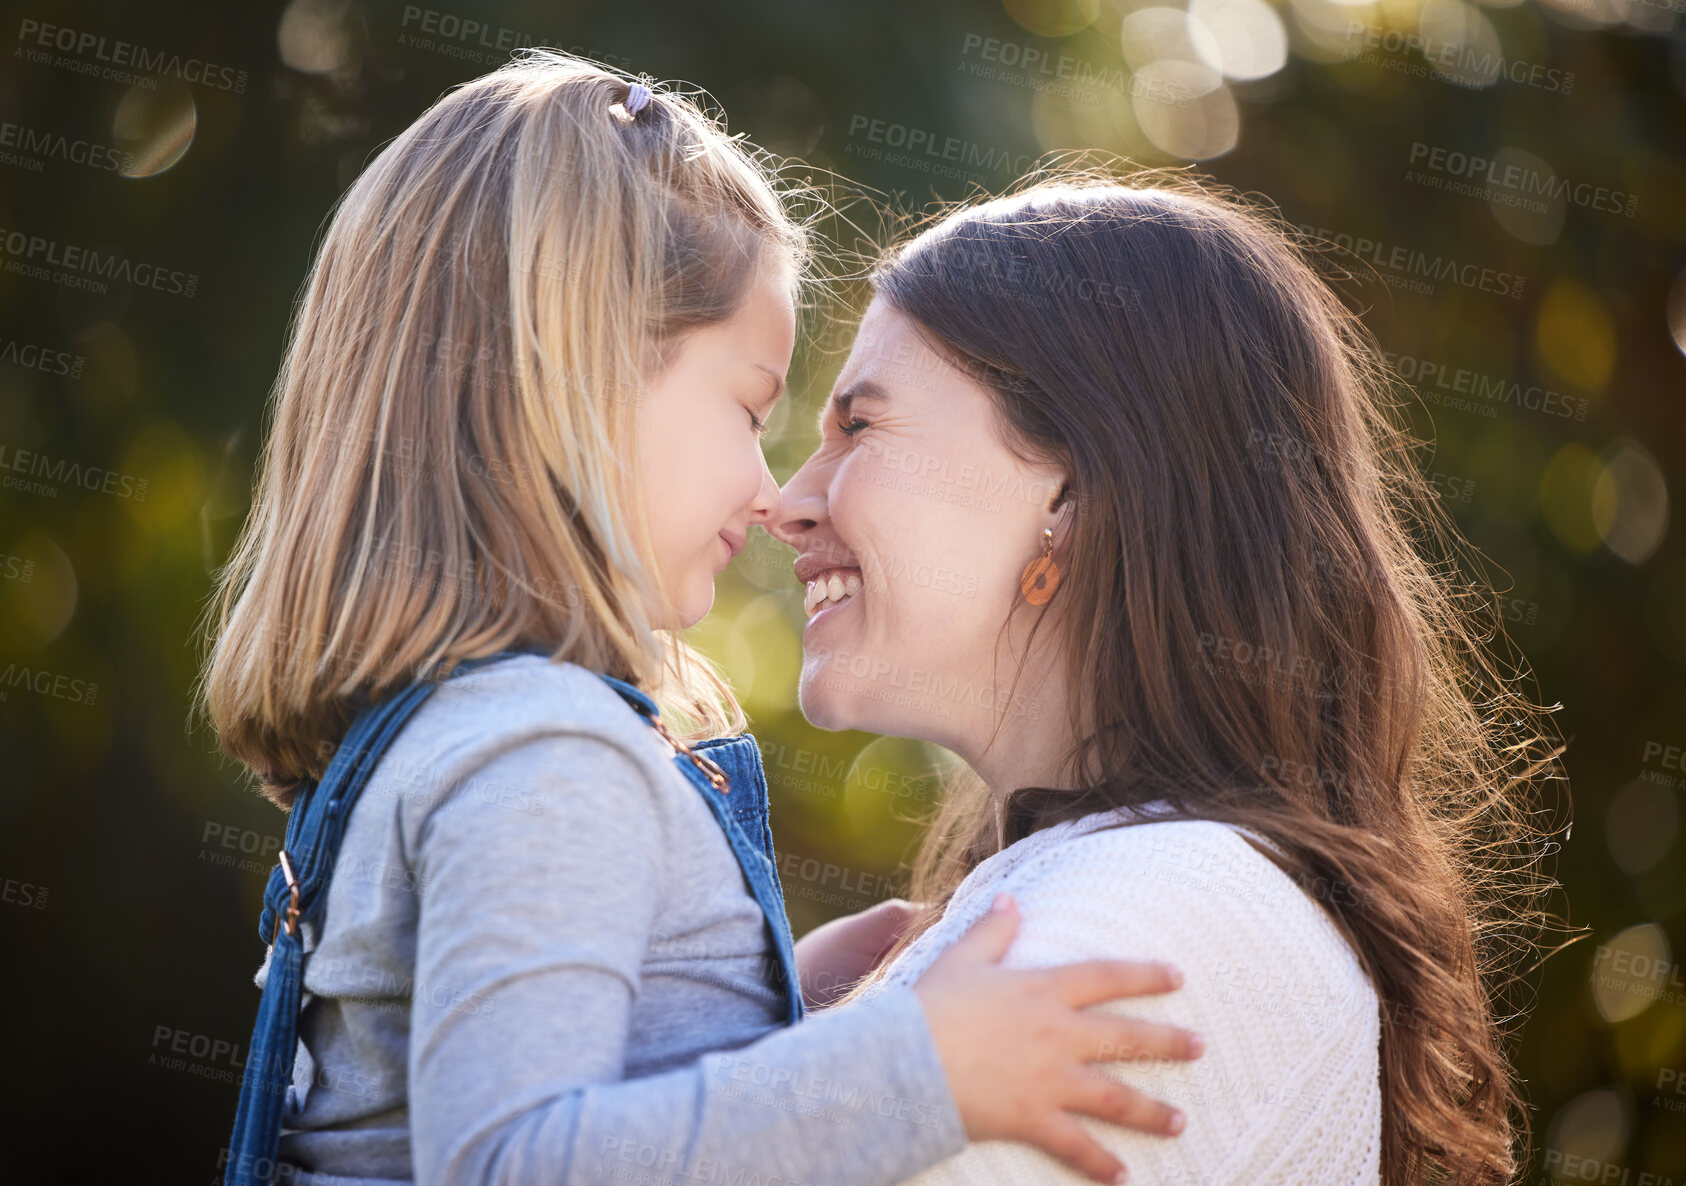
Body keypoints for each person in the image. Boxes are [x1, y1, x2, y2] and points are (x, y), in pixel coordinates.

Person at [198, 56, 1202, 1186]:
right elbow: (517, 1161)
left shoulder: (467, 733)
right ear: (573, 376)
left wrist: (781, 994)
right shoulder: (548, 753)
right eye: (749, 409)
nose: (772, 492)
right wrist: (910, 1066)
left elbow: (574, 1092)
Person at [771, 173, 1564, 1186]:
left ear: (1071, 491)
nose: (787, 499)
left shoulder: (1158, 914)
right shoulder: (1116, 886)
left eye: (861, 427)